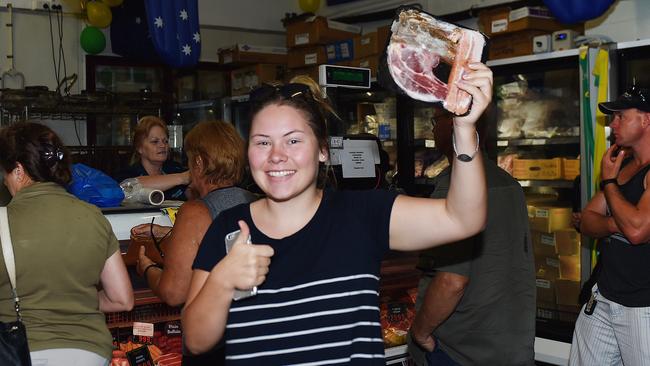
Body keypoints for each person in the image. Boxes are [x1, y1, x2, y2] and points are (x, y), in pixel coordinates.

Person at [182, 62, 493, 365]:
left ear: (322, 150)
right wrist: (222, 280)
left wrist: (464, 128)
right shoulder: (228, 228)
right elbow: (195, 342)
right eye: (262, 142)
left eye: (293, 140)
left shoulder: (361, 214)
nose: (276, 156)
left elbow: (464, 218)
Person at [407, 109, 536, 366]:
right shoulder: (508, 183)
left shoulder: (454, 191)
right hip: (510, 345)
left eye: (437, 120)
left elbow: (451, 282)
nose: (433, 128)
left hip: (461, 350)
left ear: (459, 125)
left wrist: (419, 332)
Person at [0, 122, 134, 365]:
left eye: (5, 173)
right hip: (90, 353)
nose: (5, 181)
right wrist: (77, 301)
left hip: (21, 353)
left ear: (18, 170)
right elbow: (122, 299)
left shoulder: (2, 221)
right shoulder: (93, 215)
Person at [133, 121, 256, 365]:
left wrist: (147, 268)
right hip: (252, 337)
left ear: (199, 163)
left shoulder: (196, 211)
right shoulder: (255, 201)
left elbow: (174, 292)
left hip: (212, 342)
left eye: (190, 160)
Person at [569, 85, 650, 365]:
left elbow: (638, 232)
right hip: (603, 296)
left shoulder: (617, 173)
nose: (612, 124)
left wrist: (609, 183)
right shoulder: (623, 164)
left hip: (642, 306)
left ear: (646, 120)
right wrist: (617, 225)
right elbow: (587, 221)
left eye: (620, 116)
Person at [114, 116, 190, 201]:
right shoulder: (127, 174)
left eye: (165, 141)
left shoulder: (176, 169)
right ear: (139, 147)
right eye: (155, 141)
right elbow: (130, 186)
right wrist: (183, 178)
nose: (162, 145)